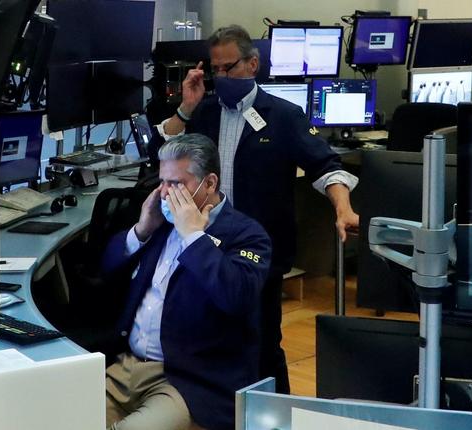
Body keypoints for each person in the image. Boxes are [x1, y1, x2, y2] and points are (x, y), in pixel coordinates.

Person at [154, 24, 360, 394]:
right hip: (204, 244)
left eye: (228, 68)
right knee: (209, 339)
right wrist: (186, 106)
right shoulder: (205, 112)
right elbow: (165, 146)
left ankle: (275, 414)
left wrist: (342, 208)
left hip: (259, 250)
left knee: (263, 343)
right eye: (214, 70)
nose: (221, 77)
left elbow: (328, 167)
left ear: (252, 65)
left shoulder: (283, 115)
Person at [102, 134, 271, 430]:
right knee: (67, 416)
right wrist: (142, 229)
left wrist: (194, 236)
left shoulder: (247, 235)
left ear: (210, 183)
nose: (167, 194)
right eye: (163, 182)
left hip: (190, 380)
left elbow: (236, 296)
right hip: (127, 366)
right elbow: (106, 270)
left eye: (178, 184)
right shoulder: (159, 224)